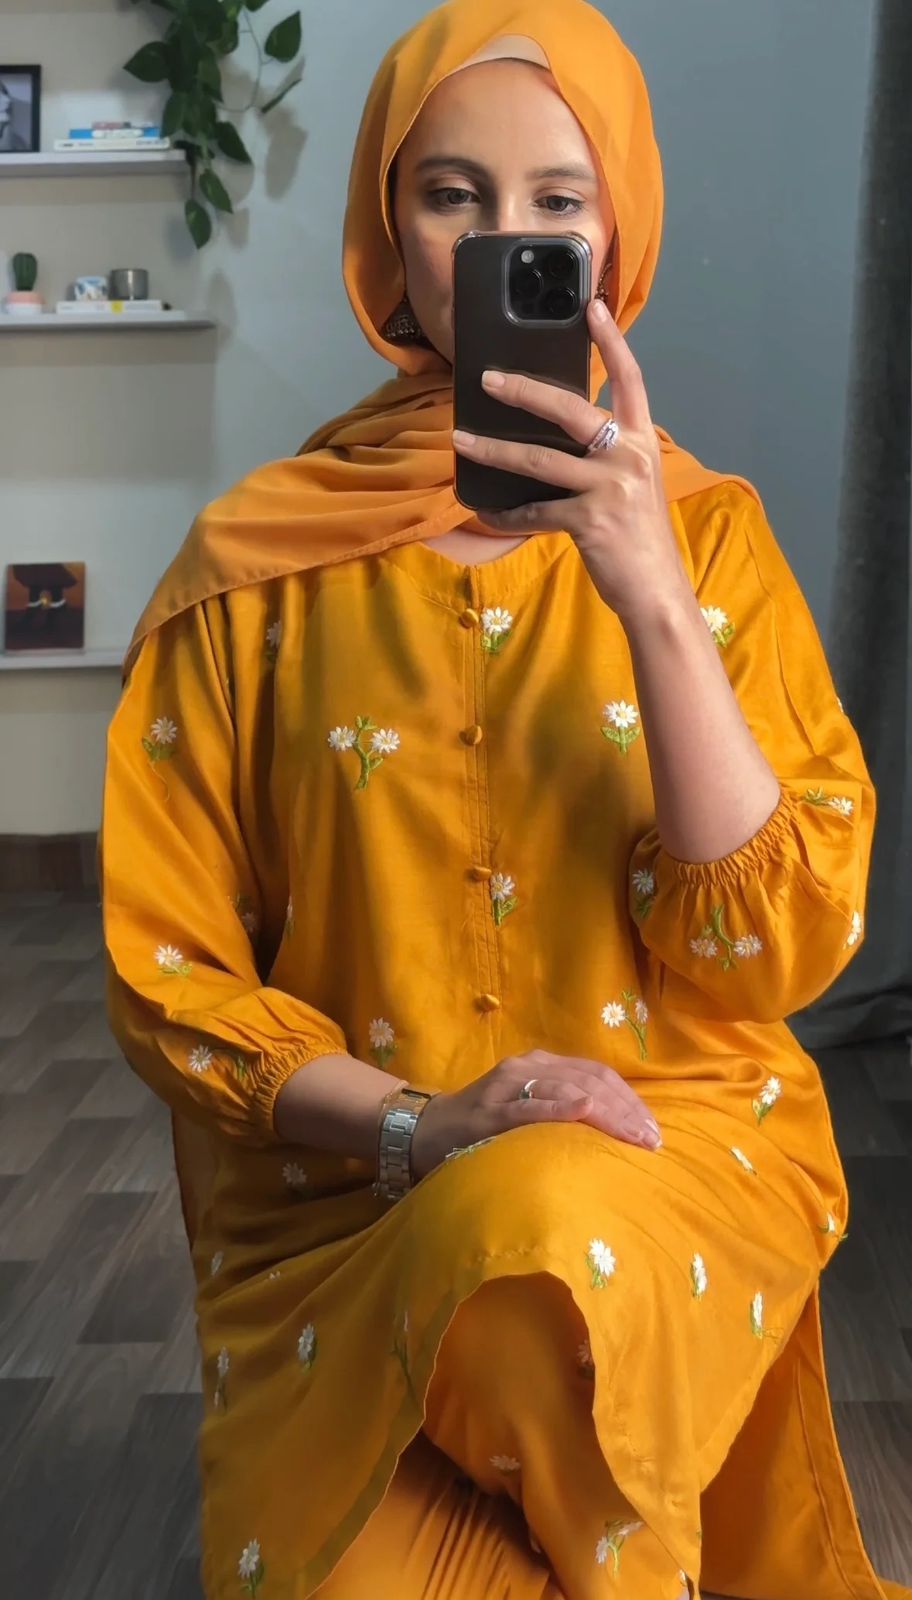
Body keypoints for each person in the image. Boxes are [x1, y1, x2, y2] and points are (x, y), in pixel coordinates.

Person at [99, 2, 909, 1597]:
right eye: (450, 195)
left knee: (539, 1231)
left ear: (617, 236)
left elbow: (775, 953)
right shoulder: (251, 572)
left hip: (666, 1159)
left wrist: (651, 594)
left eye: (557, 201)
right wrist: (423, 1127)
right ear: (386, 233)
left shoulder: (707, 543)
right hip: (351, 1206)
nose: (502, 241)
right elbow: (166, 973)